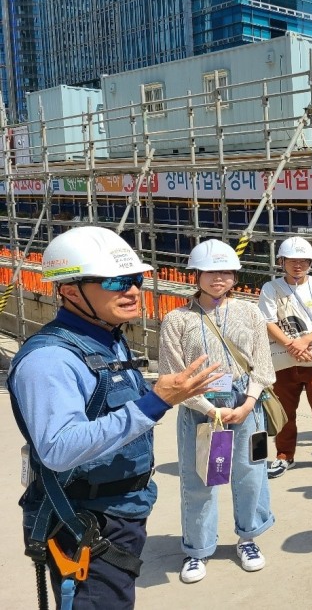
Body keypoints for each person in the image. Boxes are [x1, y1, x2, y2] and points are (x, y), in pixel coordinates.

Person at [9, 226, 220, 608]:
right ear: (70, 291)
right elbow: (58, 448)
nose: (133, 290)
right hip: (83, 523)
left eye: (135, 279)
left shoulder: (107, 338)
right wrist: (155, 402)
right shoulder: (50, 360)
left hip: (119, 511)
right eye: (115, 282)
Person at [159, 239, 277, 584]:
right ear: (195, 275)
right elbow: (173, 373)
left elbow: (262, 364)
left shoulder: (250, 313)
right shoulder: (177, 319)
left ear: (235, 276)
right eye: (210, 272)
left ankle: (248, 538)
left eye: (225, 271)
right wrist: (211, 410)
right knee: (200, 479)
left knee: (250, 473)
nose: (218, 278)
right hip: (200, 406)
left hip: (245, 403)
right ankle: (197, 549)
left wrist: (249, 402)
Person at [258, 236, 312, 477]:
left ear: (310, 263)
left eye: (303, 261)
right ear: (281, 262)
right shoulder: (271, 288)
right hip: (283, 358)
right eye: (292, 260)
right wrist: (291, 344)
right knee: (284, 411)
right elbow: (267, 321)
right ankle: (284, 455)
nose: (298, 265)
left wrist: (304, 341)